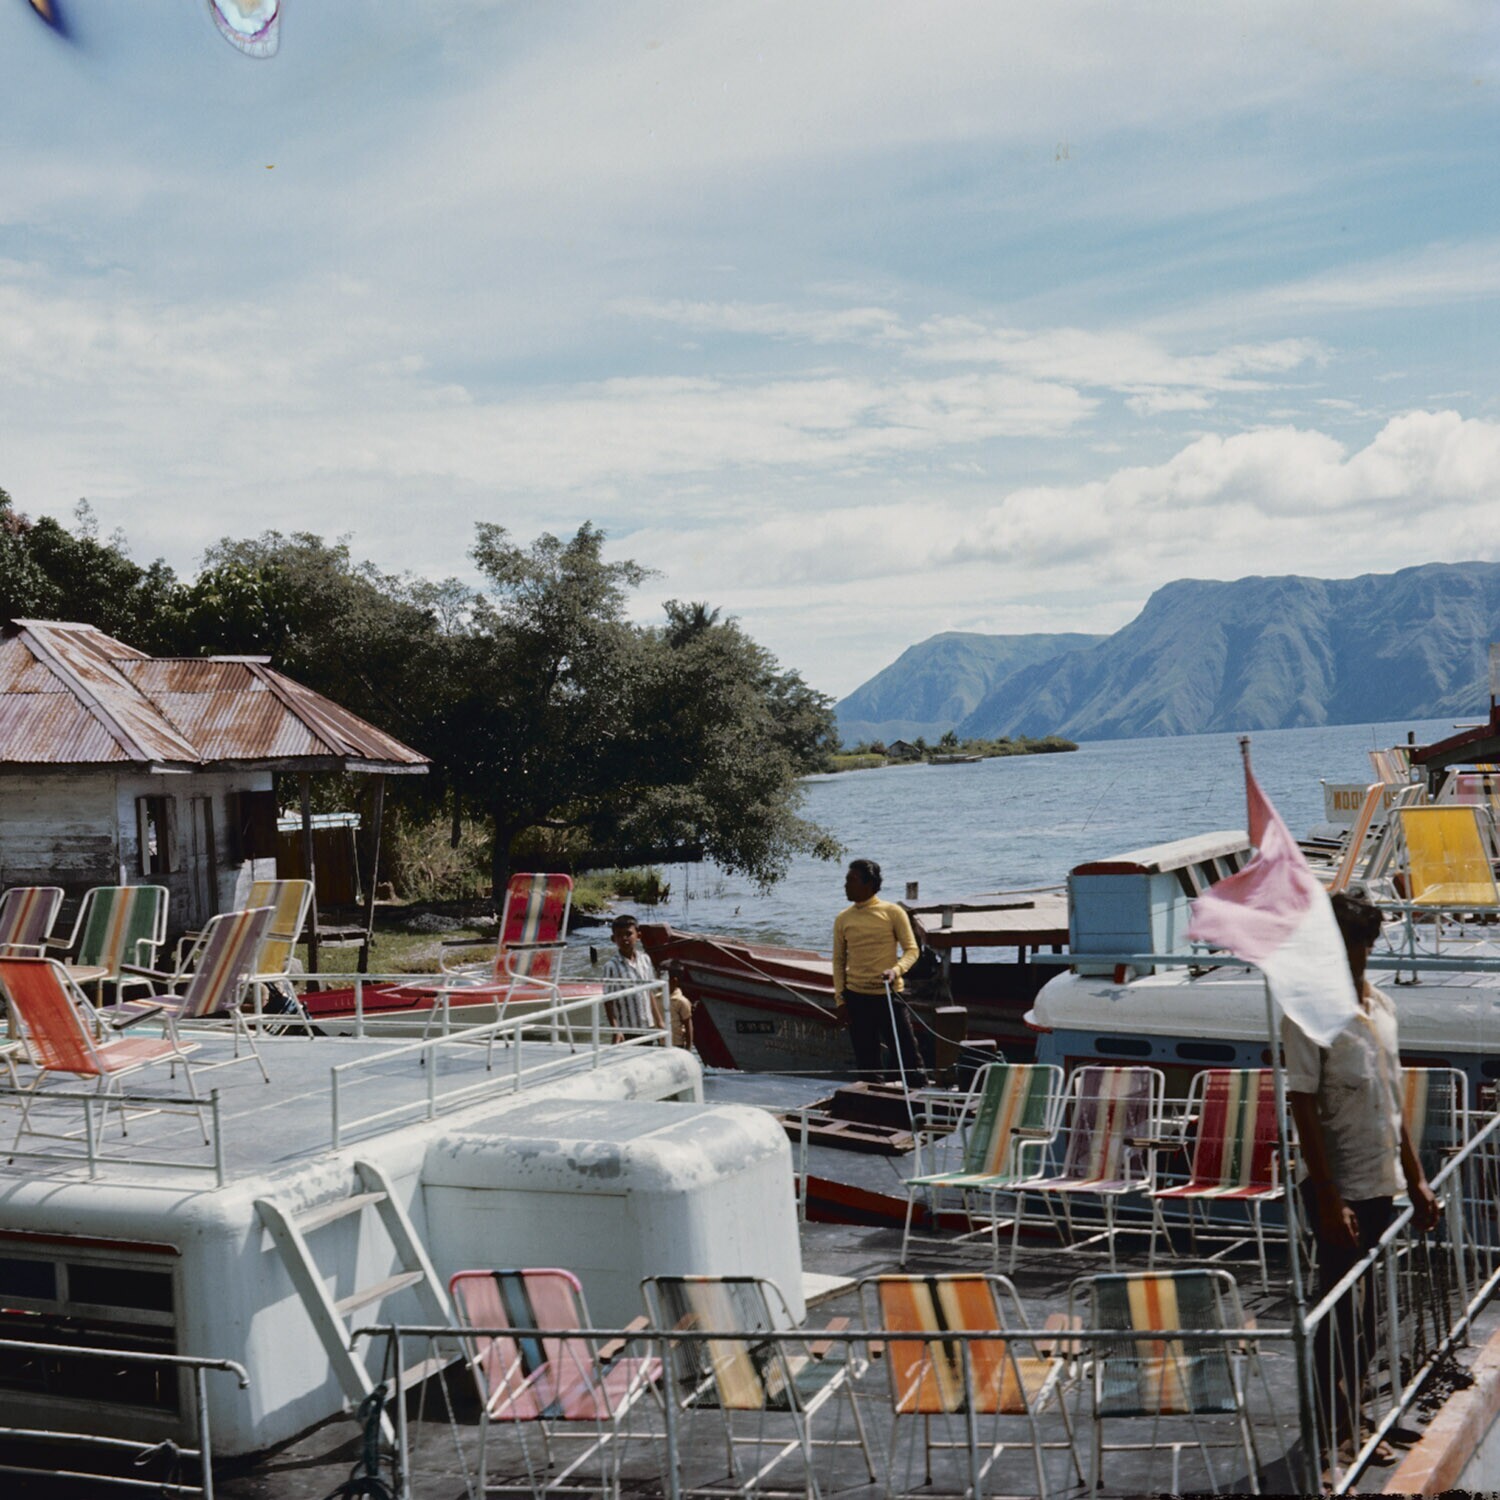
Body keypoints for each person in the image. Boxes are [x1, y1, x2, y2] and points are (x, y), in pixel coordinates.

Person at [1284, 891, 1440, 1467]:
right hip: (1337, 1185)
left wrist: (1417, 1181)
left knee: (1368, 1312)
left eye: (1366, 944)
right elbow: (1303, 1105)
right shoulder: (1306, 1014)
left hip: (1381, 1179)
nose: (1359, 956)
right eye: (1349, 944)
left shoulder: (1382, 1007)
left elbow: (1392, 1101)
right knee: (1339, 1311)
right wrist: (1330, 1198)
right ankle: (1335, 1431)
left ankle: (1355, 1417)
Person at [832, 857, 926, 1086]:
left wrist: (896, 970)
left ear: (869, 884)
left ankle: (919, 1095)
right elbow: (838, 961)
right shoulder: (843, 918)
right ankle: (872, 1099)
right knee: (867, 1064)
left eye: (851, 880)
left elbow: (912, 950)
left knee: (908, 1056)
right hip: (857, 997)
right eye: (846, 880)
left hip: (889, 996)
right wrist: (840, 1000)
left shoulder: (892, 912)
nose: (845, 885)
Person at [601, 914, 664, 1044]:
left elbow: (649, 992)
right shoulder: (611, 966)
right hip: (627, 1028)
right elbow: (608, 1001)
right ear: (613, 939)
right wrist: (615, 1029)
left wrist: (659, 1021)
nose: (624, 939)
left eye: (628, 934)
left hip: (648, 1025)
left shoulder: (645, 959)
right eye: (619, 935)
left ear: (638, 936)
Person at [662, 961, 695, 1051]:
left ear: (674, 981)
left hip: (677, 1044)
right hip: (662, 1043)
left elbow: (688, 1026)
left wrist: (688, 1048)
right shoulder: (658, 998)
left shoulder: (681, 1001)